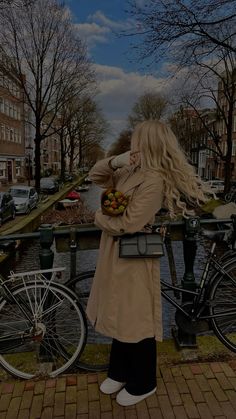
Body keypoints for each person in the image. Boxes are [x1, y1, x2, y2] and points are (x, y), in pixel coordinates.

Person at [86, 120, 211, 406]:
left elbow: (130, 223)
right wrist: (116, 160)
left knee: (135, 317)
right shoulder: (129, 170)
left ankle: (144, 382)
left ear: (150, 143)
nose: (133, 144)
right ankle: (119, 371)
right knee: (120, 312)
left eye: (138, 139)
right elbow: (95, 176)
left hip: (133, 257)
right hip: (113, 254)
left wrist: (98, 218)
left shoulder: (154, 180)